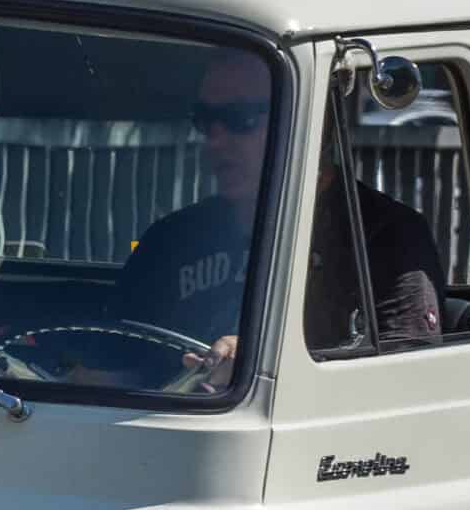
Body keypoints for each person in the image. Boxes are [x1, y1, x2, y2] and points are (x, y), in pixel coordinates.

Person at [117, 48, 446, 382]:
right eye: (205, 120)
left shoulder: (386, 236)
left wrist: (265, 368)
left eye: (239, 119)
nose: (215, 140)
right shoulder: (171, 240)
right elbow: (116, 357)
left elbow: (405, 381)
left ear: (315, 124)